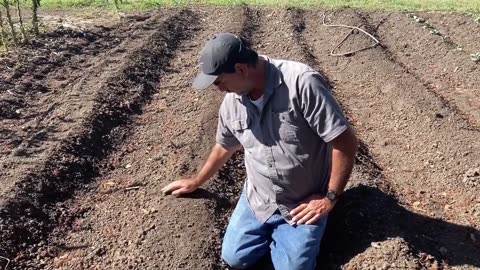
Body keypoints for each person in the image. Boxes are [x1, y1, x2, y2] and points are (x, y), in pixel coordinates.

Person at [161, 32, 358, 270]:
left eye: (218, 81)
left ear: (241, 69)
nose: (218, 89)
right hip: (258, 197)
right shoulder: (232, 102)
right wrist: (196, 180)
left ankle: (312, 232)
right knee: (234, 258)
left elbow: (345, 142)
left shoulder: (301, 83)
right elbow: (226, 144)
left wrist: (330, 197)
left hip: (301, 202)